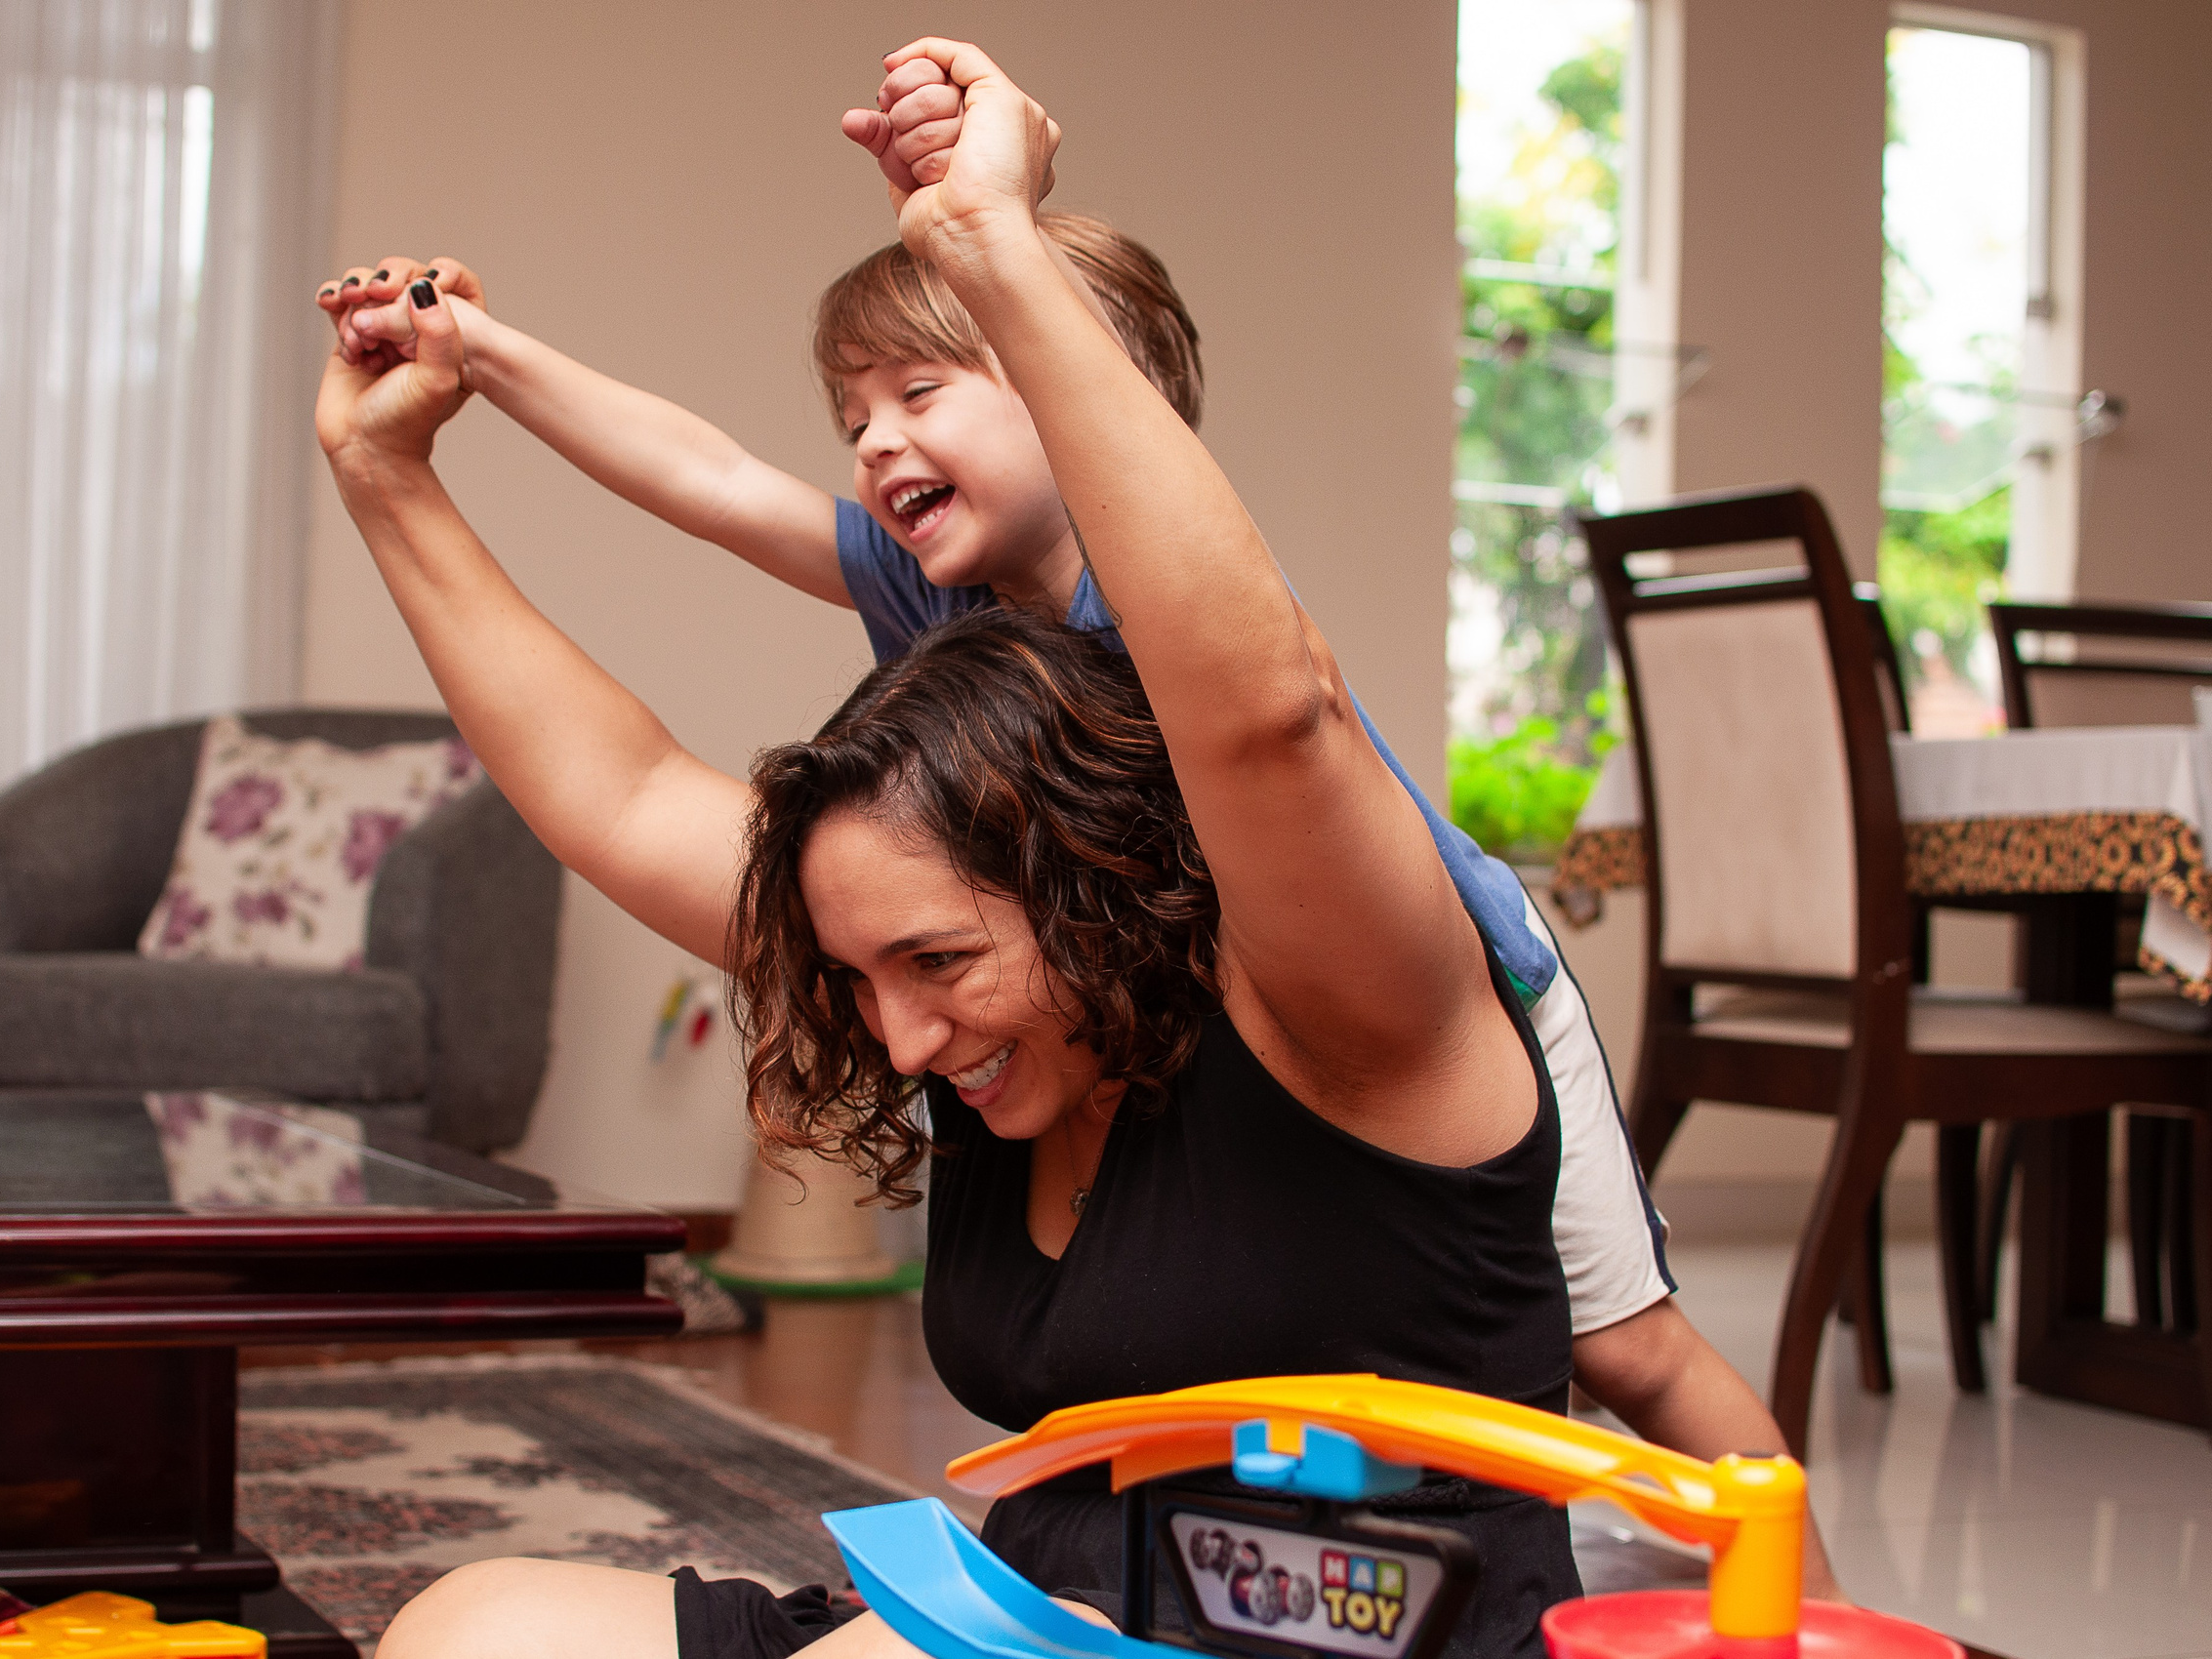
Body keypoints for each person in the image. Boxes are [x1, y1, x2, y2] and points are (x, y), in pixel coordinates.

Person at [316, 61, 1839, 1598]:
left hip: (1458, 980)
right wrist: (443, 401)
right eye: (858, 412)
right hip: (1105, 1515)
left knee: (1632, 1345)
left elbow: (1271, 717)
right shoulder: (949, 622)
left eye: (924, 394)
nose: (879, 444)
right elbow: (659, 686)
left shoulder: (1163, 613)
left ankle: (1816, 1612)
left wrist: (992, 237)